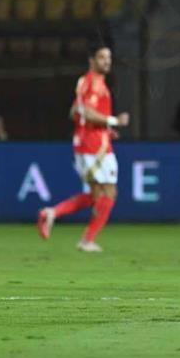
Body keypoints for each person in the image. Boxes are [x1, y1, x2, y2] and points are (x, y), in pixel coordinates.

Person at [37, 44, 130, 252]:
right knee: (109, 193)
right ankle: (87, 240)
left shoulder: (83, 82)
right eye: (102, 57)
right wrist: (114, 121)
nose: (107, 61)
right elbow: (87, 113)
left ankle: (51, 213)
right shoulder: (94, 83)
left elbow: (74, 112)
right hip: (95, 146)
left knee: (96, 195)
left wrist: (104, 128)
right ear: (92, 60)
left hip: (85, 142)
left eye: (109, 58)